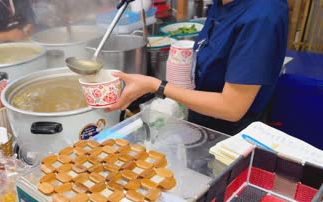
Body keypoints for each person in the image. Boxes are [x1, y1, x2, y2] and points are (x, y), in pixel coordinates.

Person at [108, 0, 288, 136]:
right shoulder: (223, 3)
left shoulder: (262, 16)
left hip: (233, 139)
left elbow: (232, 108)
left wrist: (157, 86)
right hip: (204, 124)